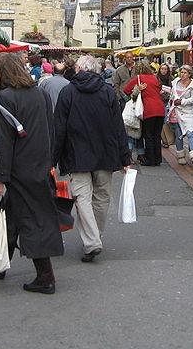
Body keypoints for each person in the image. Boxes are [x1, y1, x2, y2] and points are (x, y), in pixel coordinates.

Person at [0, 52, 63, 294]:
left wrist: (0, 179)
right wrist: (51, 162)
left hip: (20, 168)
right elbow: (51, 130)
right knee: (12, 213)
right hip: (40, 165)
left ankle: (45, 276)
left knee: (32, 220)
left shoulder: (3, 98)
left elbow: (5, 142)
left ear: (4, 72)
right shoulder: (40, 93)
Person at [52, 55, 130, 263]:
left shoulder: (68, 92)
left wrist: (52, 159)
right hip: (106, 153)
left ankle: (92, 240)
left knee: (82, 198)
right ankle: (95, 236)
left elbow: (59, 129)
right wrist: (125, 156)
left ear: (80, 69)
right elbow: (117, 125)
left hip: (77, 155)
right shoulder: (107, 91)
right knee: (102, 198)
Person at [124, 60, 165, 166]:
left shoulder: (139, 78)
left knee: (149, 135)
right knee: (157, 135)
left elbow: (126, 90)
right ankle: (157, 159)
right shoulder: (155, 78)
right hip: (160, 108)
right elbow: (159, 89)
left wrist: (138, 90)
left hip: (149, 109)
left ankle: (150, 159)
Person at [166, 65, 193, 167]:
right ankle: (181, 156)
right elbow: (172, 95)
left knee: (191, 133)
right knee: (179, 134)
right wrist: (172, 100)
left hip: (187, 112)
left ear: (189, 74)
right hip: (175, 111)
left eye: (185, 72)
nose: (182, 74)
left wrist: (183, 101)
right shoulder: (175, 82)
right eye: (181, 72)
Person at [156, 63, 175, 149]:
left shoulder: (171, 79)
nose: (163, 71)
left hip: (169, 102)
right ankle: (163, 139)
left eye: (165, 69)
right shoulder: (156, 79)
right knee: (161, 121)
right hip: (159, 102)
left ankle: (167, 139)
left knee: (166, 121)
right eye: (162, 69)